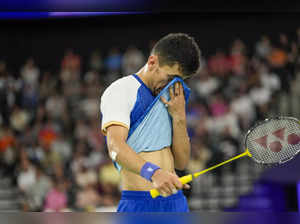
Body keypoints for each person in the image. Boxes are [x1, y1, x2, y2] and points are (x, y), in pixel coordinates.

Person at [100, 33, 201, 212]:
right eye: (170, 77)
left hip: (175, 203)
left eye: (179, 80)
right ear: (152, 62)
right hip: (140, 204)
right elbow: (115, 147)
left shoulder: (171, 97)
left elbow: (182, 162)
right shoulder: (121, 90)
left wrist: (179, 118)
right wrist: (153, 173)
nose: (172, 85)